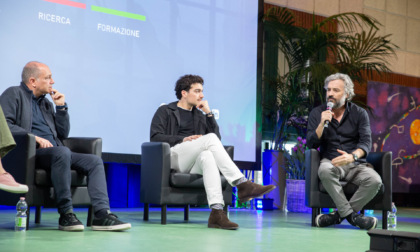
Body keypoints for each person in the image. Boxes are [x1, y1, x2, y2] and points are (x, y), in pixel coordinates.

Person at [0, 61, 131, 232]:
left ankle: (101, 214)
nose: (52, 81)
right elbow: (5, 126)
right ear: (33, 81)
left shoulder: (46, 103)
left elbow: (62, 134)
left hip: (57, 153)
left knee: (94, 161)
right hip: (30, 154)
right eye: (48, 78)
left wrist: (61, 108)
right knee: (62, 152)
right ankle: (66, 214)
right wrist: (35, 138)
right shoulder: (13, 94)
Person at [150, 74, 276, 230]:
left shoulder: (199, 115)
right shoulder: (165, 110)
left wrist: (209, 113)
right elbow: (155, 137)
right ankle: (242, 184)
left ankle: (217, 212)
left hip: (193, 161)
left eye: (202, 91)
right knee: (209, 139)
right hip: (174, 157)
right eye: (197, 91)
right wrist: (183, 139)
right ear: (184, 93)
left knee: (208, 155)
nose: (201, 95)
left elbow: (217, 140)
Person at [306, 73, 382, 230]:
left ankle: (338, 216)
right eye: (328, 90)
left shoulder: (360, 113)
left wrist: (352, 156)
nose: (330, 94)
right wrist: (321, 124)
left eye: (335, 90)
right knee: (324, 170)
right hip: (331, 162)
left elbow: (366, 143)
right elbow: (311, 144)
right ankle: (353, 217)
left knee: (375, 181)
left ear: (347, 94)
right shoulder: (317, 113)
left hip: (355, 163)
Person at [0, 105, 29, 194]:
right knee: (62, 154)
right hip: (35, 146)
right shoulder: (15, 93)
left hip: (55, 146)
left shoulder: (47, 105)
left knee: (65, 153)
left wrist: (61, 109)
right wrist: (35, 137)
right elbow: (8, 123)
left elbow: (61, 132)